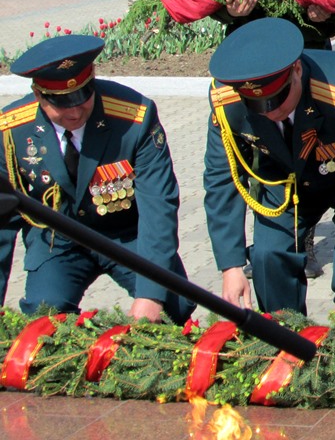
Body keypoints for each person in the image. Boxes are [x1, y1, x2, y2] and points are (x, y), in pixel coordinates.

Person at [202, 18, 335, 316]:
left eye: (277, 99)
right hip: (289, 175)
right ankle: (286, 342)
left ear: (297, 71)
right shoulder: (226, 100)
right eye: (258, 106)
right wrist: (231, 265)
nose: (271, 112)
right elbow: (222, 178)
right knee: (268, 257)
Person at [0, 35, 195, 322]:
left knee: (172, 306)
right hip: (58, 238)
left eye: (83, 97)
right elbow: (3, 218)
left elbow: (159, 206)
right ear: (39, 95)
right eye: (62, 104)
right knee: (44, 317)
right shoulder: (13, 130)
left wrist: (151, 295)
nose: (75, 111)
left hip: (127, 234)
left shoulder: (134, 117)